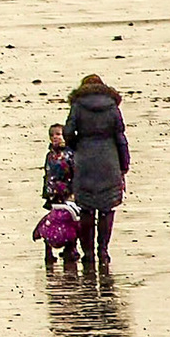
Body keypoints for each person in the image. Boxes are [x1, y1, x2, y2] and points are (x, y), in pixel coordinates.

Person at [65, 75, 129, 265]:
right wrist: (124, 165)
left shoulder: (77, 105)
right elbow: (120, 138)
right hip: (109, 160)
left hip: (85, 160)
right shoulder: (112, 107)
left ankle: (88, 253)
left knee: (86, 209)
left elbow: (68, 132)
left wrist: (78, 146)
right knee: (107, 208)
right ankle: (103, 251)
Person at [42, 123, 78, 265]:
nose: (55, 138)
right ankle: (48, 250)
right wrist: (47, 191)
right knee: (52, 222)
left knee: (70, 222)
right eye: (52, 135)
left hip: (68, 194)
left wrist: (74, 191)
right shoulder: (50, 155)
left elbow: (75, 173)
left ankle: (71, 248)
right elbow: (47, 174)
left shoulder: (70, 154)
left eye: (58, 134)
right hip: (53, 194)